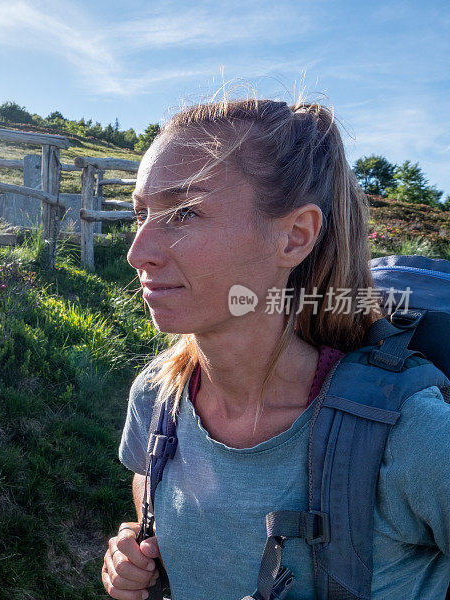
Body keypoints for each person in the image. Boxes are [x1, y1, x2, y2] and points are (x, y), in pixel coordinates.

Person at [101, 95, 450, 599]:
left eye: (183, 213)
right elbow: (148, 486)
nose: (138, 253)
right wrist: (139, 547)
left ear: (293, 237)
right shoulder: (157, 398)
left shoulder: (411, 434)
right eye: (141, 214)